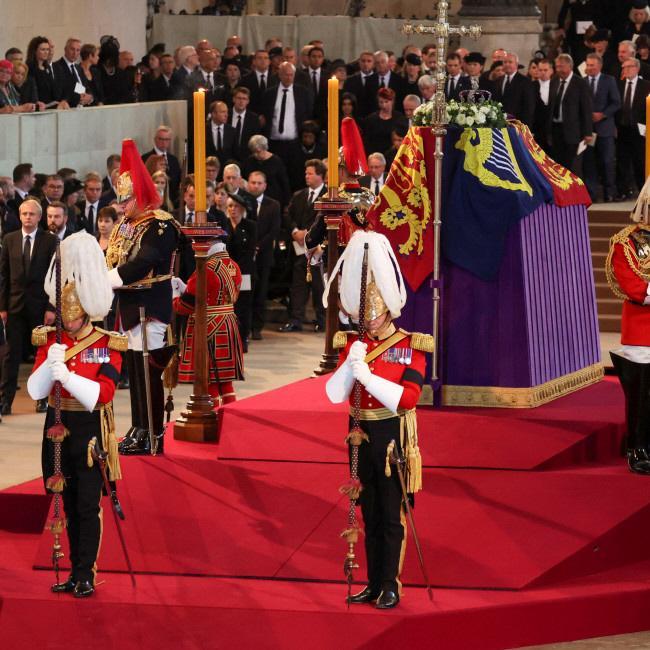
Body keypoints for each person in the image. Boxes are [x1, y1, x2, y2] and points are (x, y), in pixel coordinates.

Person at [324, 230, 432, 609]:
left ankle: (390, 583)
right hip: (359, 432)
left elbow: (408, 398)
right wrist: (351, 367)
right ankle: (372, 582)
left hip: (391, 433)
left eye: (373, 313)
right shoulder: (356, 345)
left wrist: (367, 375)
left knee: (390, 513)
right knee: (367, 512)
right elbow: (334, 395)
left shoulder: (409, 345)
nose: (367, 321)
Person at [28, 231, 124, 597]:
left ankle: (86, 571)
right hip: (56, 424)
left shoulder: (105, 343)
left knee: (86, 505)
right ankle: (71, 571)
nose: (66, 323)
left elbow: (103, 394)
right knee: (64, 503)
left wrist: (65, 374)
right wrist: (47, 366)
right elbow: (36, 392)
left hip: (88, 431)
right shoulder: (50, 340)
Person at [106, 139, 180, 455]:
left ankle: (153, 433)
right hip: (129, 303)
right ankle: (138, 427)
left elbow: (146, 260)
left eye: (126, 200)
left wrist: (110, 279)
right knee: (135, 367)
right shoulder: (126, 224)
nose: (121, 206)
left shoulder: (159, 225)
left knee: (149, 369)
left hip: (151, 305)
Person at [606, 178, 650, 474]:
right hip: (642, 333)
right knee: (642, 396)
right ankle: (638, 447)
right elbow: (634, 287)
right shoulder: (628, 241)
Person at [173, 228, 244, 406]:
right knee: (226, 383)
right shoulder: (234, 265)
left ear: (208, 243)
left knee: (208, 380)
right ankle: (230, 419)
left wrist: (173, 296)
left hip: (209, 328)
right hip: (228, 323)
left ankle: (212, 421)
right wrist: (185, 288)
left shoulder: (205, 269)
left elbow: (185, 306)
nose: (192, 246)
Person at [0, 198, 57, 415]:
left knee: (42, 355)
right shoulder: (9, 239)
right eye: (24, 214)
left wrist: (51, 307)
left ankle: (42, 398)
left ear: (39, 217)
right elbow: (3, 275)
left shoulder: (50, 241)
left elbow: (55, 277)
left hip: (41, 308)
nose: (27, 217)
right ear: (19, 215)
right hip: (14, 306)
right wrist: (2, 307)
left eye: (32, 214)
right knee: (10, 355)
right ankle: (6, 400)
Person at [279, 159, 327, 333]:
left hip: (320, 251)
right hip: (300, 249)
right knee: (298, 285)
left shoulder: (329, 195)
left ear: (321, 175)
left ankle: (323, 321)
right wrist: (294, 231)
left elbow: (327, 220)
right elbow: (287, 214)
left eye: (310, 173)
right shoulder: (299, 195)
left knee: (320, 287)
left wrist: (310, 235)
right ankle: (295, 320)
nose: (306, 176)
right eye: (306, 173)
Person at [247, 171, 281, 340]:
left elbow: (274, 230)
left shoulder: (273, 205)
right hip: (246, 256)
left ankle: (257, 327)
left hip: (264, 255)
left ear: (265, 185)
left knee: (260, 292)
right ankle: (245, 325)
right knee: (247, 291)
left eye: (259, 183)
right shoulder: (244, 202)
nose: (255, 186)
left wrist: (258, 246)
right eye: (253, 182)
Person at [583, 53, 621, 202]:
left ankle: (610, 193)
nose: (590, 68)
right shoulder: (582, 82)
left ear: (599, 65)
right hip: (588, 130)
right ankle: (591, 194)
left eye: (592, 65)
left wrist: (603, 114)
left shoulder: (609, 80)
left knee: (607, 161)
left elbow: (616, 102)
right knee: (590, 163)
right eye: (588, 64)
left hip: (605, 129)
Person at [547, 53, 593, 174]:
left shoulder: (580, 83)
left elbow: (586, 109)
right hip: (556, 129)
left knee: (572, 165)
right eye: (557, 66)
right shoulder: (554, 81)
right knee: (557, 164)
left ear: (570, 66)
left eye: (561, 66)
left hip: (573, 131)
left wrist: (588, 132)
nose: (559, 69)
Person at [616, 57, 650, 200]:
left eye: (629, 67)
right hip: (622, 129)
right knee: (622, 161)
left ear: (637, 68)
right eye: (624, 67)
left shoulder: (646, 85)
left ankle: (643, 191)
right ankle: (624, 190)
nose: (626, 70)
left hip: (640, 130)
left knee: (639, 161)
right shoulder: (618, 84)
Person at [225, 193, 257, 350]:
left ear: (243, 209)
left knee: (243, 307)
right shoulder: (224, 225)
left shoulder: (250, 226)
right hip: (225, 272)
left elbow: (249, 251)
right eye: (230, 206)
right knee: (228, 307)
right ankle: (228, 339)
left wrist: (236, 271)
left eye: (236, 206)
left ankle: (242, 339)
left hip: (244, 273)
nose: (233, 209)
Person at [241, 134, 290, 209]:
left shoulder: (276, 161)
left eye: (258, 152)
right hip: (253, 201)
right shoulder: (249, 161)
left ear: (265, 148)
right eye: (253, 152)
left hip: (273, 201)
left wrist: (287, 203)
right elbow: (244, 179)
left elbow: (284, 183)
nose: (255, 155)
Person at [361, 88, 409, 160]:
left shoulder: (400, 118)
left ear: (392, 101)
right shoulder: (371, 119)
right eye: (381, 102)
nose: (384, 105)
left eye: (386, 102)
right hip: (375, 157)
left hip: (394, 157)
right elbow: (367, 142)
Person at [141, 125, 182, 207]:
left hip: (171, 203)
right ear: (155, 139)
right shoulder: (145, 158)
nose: (164, 142)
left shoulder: (174, 160)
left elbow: (177, 182)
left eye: (167, 139)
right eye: (161, 139)